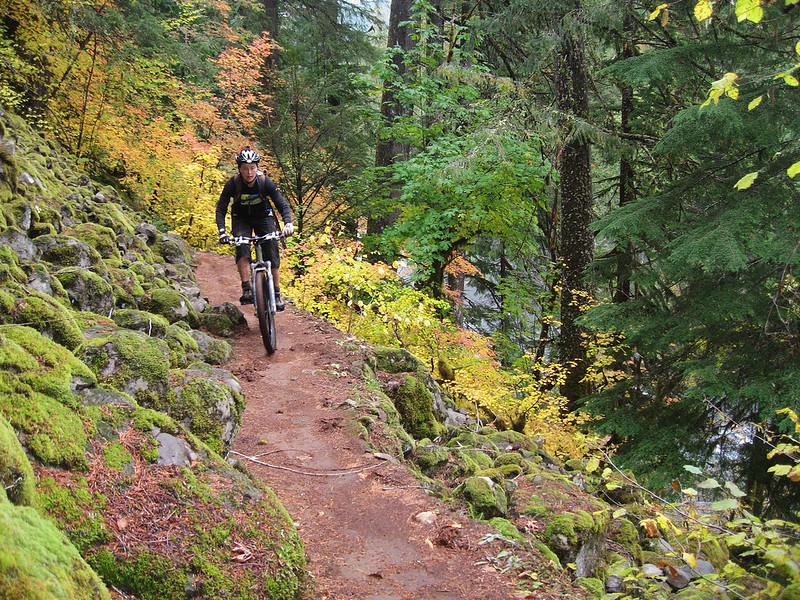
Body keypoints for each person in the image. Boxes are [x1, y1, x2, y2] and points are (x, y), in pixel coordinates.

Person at [216, 146, 294, 309]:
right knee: (242, 248)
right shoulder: (233, 184)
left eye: (252, 168)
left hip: (264, 218)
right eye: (245, 169)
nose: (249, 172)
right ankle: (247, 289)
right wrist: (222, 232)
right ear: (240, 169)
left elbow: (282, 204)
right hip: (241, 219)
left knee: (272, 251)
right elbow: (221, 208)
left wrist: (288, 223)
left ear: (257, 168)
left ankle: (277, 294)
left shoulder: (265, 182)